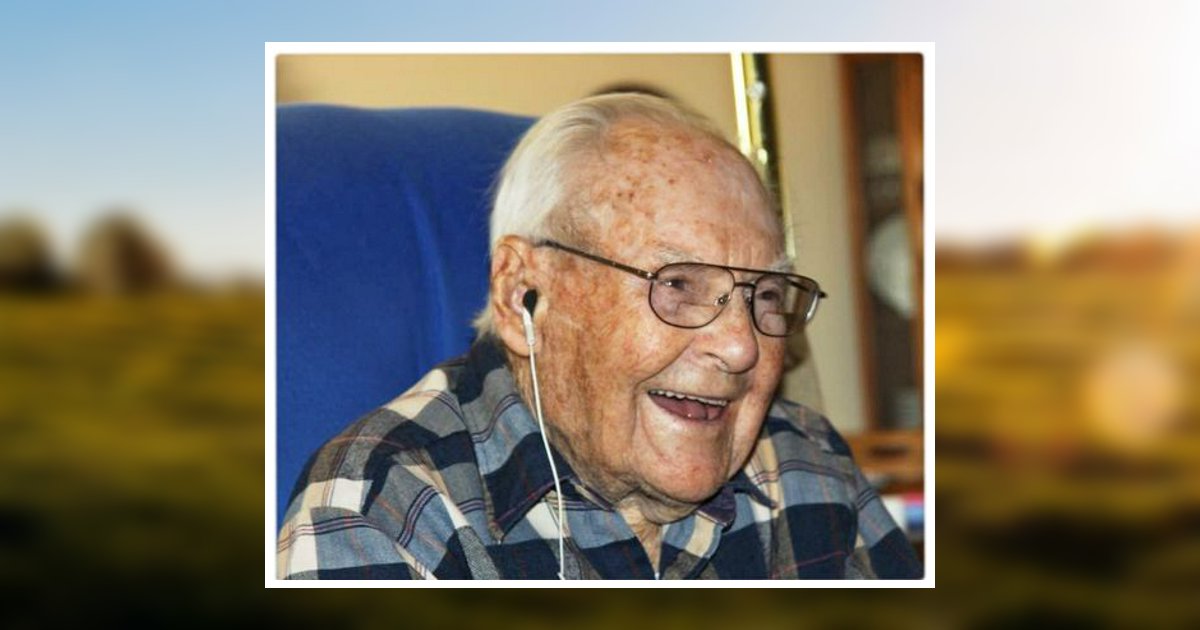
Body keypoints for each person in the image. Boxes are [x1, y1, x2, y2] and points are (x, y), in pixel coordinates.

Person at [277, 93, 922, 579]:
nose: (741, 346)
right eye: (678, 283)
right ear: (521, 295)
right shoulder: (381, 513)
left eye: (767, 295)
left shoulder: (807, 463)